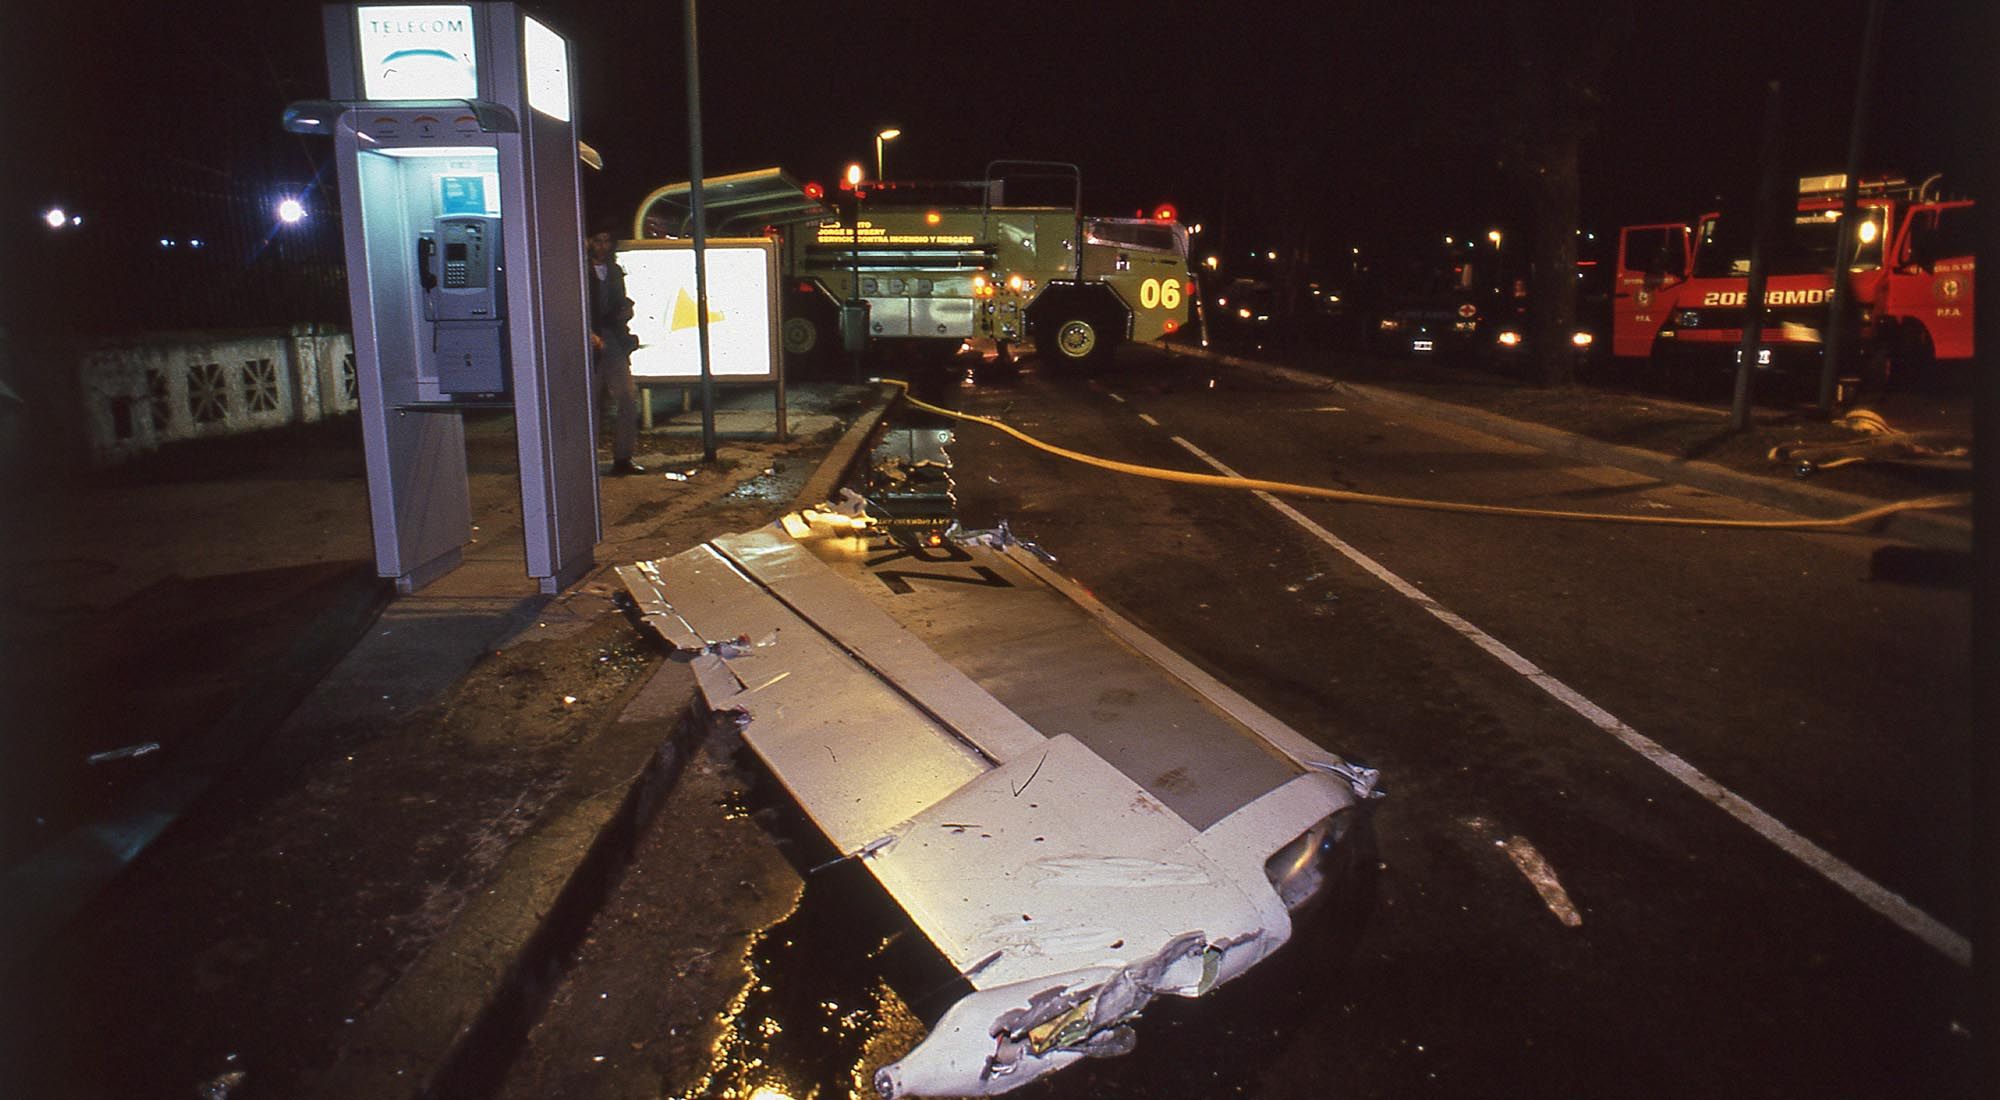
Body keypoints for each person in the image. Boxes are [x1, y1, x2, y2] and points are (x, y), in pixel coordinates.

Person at [587, 223, 642, 474]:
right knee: (592, 401)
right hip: (588, 340)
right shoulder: (578, 270)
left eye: (607, 241)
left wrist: (625, 311)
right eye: (598, 240)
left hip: (613, 337)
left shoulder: (614, 270)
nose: (603, 246)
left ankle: (623, 458)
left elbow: (619, 301)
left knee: (627, 397)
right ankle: (586, 458)